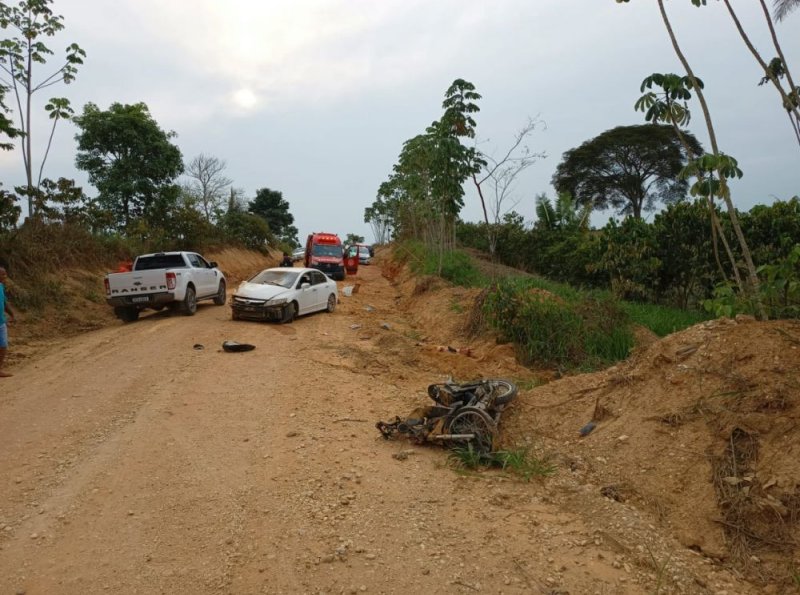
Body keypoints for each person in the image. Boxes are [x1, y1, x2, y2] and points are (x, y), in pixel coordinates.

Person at [0, 266, 16, 378]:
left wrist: (12, 314)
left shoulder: (1, 286)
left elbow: (4, 303)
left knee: (3, 346)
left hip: (1, 322)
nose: (5, 277)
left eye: (5, 274)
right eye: (3, 274)